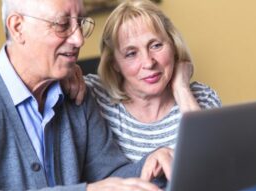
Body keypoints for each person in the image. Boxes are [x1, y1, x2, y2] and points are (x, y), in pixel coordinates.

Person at [0, 0, 173, 191]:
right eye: (63, 25)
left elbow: (109, 175)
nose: (79, 40)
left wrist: (148, 166)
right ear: (18, 27)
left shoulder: (76, 94)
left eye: (80, 23)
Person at [79, 0, 222, 162]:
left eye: (155, 45)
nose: (148, 62)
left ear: (173, 45)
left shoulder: (202, 97)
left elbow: (215, 164)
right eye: (131, 53)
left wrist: (181, 88)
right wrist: (71, 73)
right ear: (115, 64)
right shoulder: (93, 96)